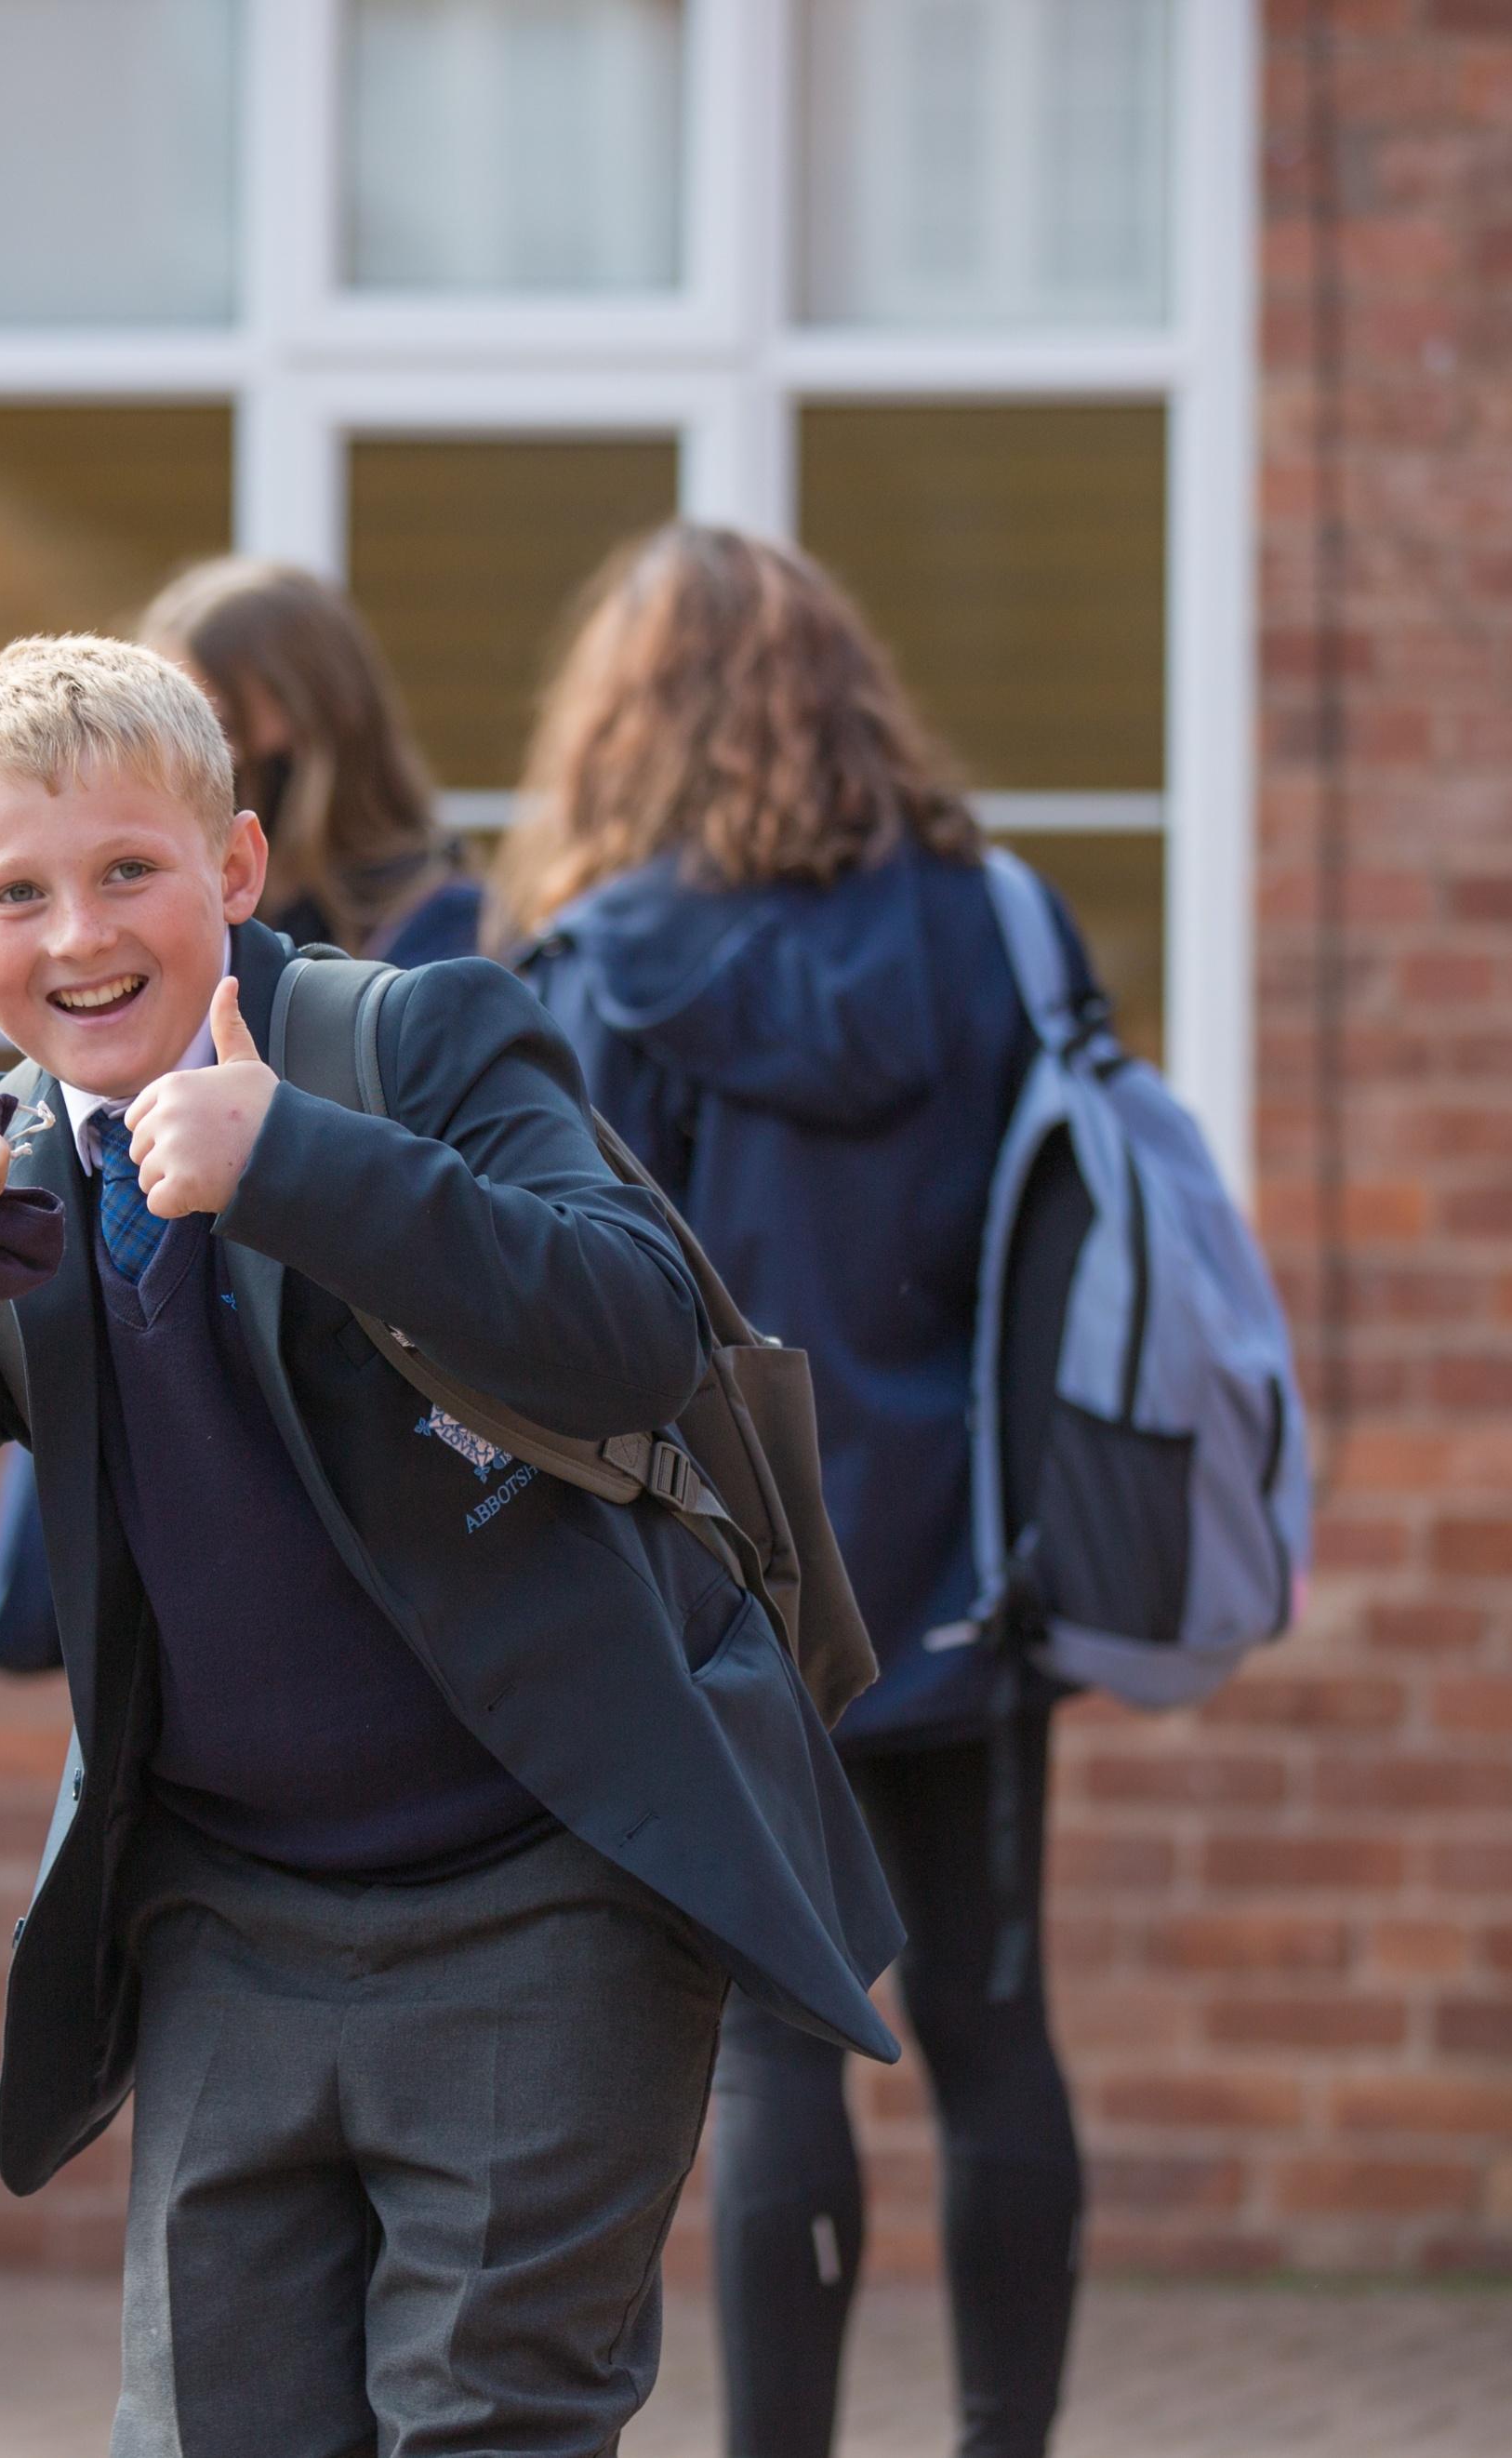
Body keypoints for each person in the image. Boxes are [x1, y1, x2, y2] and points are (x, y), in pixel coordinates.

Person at [0, 633, 899, 2456]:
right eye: (15, 893)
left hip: (543, 1894)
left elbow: (637, 1325)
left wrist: (301, 1165)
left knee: (486, 2422)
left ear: (237, 866)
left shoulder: (415, 1039)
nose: (79, 935)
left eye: (129, 869)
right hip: (230, 1929)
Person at [495, 524, 1094, 2458]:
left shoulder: (596, 968)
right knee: (994, 2038)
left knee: (773, 2052)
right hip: (976, 1566)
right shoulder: (1000, 929)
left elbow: (556, 1295)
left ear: (618, 723)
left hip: (726, 1581)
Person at [0, 564, 483, 1679]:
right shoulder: (149, 942)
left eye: (201, 715)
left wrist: (288, 1147)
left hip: (376, 1473)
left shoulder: (432, 942)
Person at [139, 556, 484, 966]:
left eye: (224, 727)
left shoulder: (442, 922)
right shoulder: (190, 905)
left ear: (319, 716)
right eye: (173, 731)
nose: (192, 760)